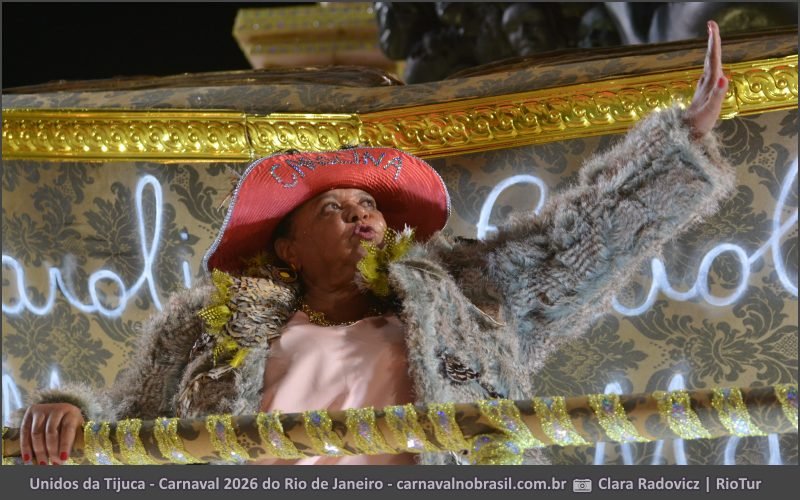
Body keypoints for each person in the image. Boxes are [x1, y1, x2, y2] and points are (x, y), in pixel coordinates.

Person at [18, 21, 734, 465]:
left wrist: (681, 141)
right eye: (334, 208)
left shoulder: (464, 295)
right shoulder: (212, 321)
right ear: (288, 246)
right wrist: (68, 411)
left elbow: (576, 244)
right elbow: (130, 422)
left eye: (370, 206)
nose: (362, 216)